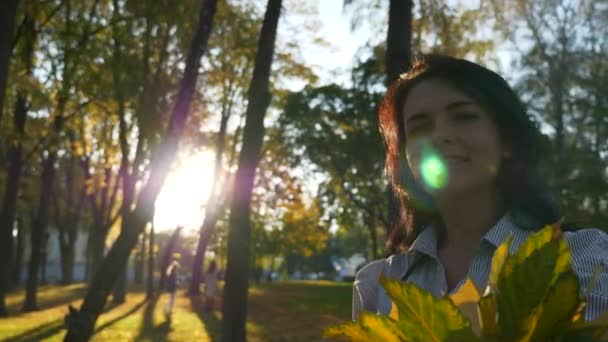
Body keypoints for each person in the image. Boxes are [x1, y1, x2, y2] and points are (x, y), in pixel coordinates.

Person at [353, 54, 608, 322]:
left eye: (463, 117)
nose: (440, 136)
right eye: (419, 127)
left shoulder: (586, 259)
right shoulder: (377, 285)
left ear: (507, 140)